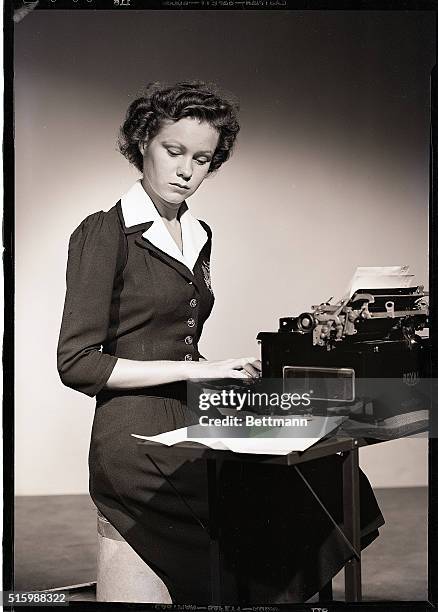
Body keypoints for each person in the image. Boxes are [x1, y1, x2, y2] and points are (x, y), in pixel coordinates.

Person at [57, 80, 384, 604]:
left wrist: (231, 372)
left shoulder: (200, 233)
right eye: (174, 150)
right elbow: (77, 364)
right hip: (134, 434)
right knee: (247, 501)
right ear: (143, 141)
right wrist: (193, 372)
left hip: (193, 410)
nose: (188, 170)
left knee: (327, 472)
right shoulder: (104, 233)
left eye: (204, 159)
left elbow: (178, 341)